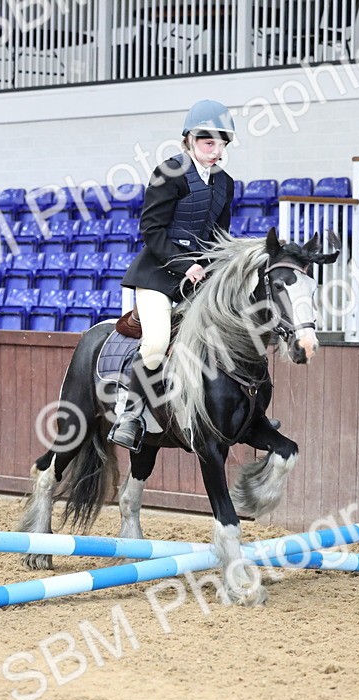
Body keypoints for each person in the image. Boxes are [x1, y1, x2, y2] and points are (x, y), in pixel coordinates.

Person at [108, 99, 237, 452]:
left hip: (197, 279)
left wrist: (218, 268)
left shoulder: (225, 183)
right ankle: (130, 414)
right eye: (208, 143)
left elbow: (219, 237)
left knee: (230, 333)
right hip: (158, 277)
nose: (216, 150)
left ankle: (245, 411)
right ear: (189, 141)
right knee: (156, 342)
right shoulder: (169, 172)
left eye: (221, 143)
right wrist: (185, 265)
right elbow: (151, 230)